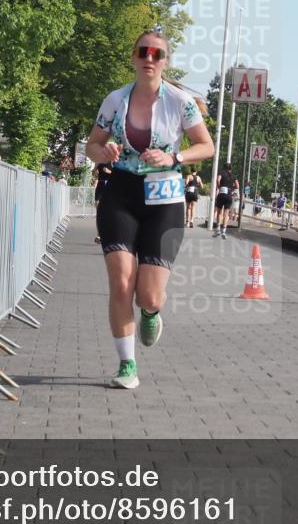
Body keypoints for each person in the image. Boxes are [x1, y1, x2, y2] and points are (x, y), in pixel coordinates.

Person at [85, 30, 214, 389]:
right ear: (133, 58)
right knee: (121, 283)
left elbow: (207, 147)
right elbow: (91, 146)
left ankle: (152, 312)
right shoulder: (115, 101)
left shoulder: (179, 102)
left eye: (157, 54)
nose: (149, 58)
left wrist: (174, 156)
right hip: (122, 193)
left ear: (165, 61)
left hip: (165, 197)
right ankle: (127, 365)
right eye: (143, 52)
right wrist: (105, 151)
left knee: (149, 294)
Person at [212, 163, 238, 239]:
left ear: (224, 168)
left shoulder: (221, 172)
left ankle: (218, 230)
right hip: (229, 195)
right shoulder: (233, 176)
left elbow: (218, 179)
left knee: (219, 213)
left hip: (222, 194)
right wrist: (231, 188)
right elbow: (237, 186)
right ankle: (224, 231)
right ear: (231, 169)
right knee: (226, 214)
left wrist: (219, 186)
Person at [92, 162, 113, 244]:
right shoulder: (99, 160)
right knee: (99, 211)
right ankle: (99, 235)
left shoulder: (113, 160)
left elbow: (120, 176)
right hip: (100, 185)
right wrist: (94, 169)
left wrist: (108, 171)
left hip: (110, 185)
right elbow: (94, 175)